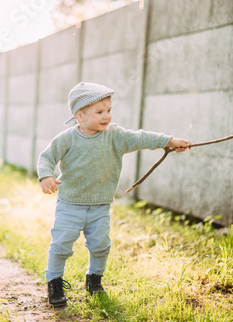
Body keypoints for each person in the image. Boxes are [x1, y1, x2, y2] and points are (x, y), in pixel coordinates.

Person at [37, 82, 190, 307]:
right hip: (70, 204)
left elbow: (140, 138)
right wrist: (46, 176)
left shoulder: (114, 136)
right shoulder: (67, 139)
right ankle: (55, 283)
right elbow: (46, 157)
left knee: (100, 245)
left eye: (108, 110)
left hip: (100, 205)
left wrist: (168, 141)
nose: (106, 116)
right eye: (99, 112)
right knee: (61, 244)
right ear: (80, 116)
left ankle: (94, 280)